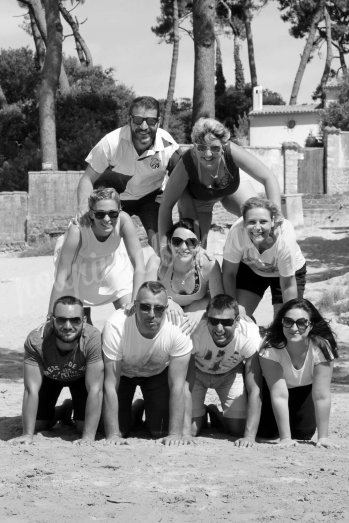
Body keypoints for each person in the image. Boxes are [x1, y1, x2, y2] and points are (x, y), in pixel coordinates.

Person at [158, 117, 281, 249]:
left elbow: (268, 178)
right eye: (201, 148)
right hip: (199, 200)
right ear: (194, 147)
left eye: (215, 148)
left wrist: (277, 218)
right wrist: (164, 246)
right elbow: (166, 205)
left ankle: (259, 260)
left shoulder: (232, 152)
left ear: (223, 146)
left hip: (231, 190)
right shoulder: (186, 164)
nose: (208, 154)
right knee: (195, 245)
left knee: (257, 219)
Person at [78, 96, 181, 245]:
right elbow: (87, 179)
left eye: (151, 121)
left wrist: (169, 200)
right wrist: (83, 207)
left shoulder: (168, 145)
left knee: (163, 246)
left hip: (150, 198)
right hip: (117, 199)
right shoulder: (111, 142)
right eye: (138, 120)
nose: (144, 127)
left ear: (158, 122)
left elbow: (182, 180)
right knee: (101, 243)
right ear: (129, 120)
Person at [102, 281, 192, 445]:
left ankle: (146, 406)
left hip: (156, 375)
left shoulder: (178, 327)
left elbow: (177, 385)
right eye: (145, 307)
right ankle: (136, 409)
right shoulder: (116, 325)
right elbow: (110, 384)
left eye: (158, 308)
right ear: (135, 306)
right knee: (120, 430)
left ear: (166, 308)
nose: (151, 314)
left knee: (159, 431)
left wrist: (175, 434)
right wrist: (113, 435)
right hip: (123, 376)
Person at [11, 296, 104, 445]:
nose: (68, 326)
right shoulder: (36, 340)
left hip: (81, 378)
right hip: (49, 378)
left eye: (75, 320)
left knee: (84, 428)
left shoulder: (92, 338)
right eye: (61, 320)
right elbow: (31, 390)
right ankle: (63, 410)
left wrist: (88, 437)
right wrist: (27, 435)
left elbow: (95, 389)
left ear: (84, 320)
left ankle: (75, 410)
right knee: (38, 426)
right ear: (51, 319)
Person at [49, 188, 146, 324]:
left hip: (110, 261)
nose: (107, 219)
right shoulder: (77, 230)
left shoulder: (123, 221)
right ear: (91, 214)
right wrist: (49, 317)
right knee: (81, 323)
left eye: (113, 213)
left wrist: (135, 302)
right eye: (100, 214)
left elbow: (139, 264)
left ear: (120, 211)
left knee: (130, 317)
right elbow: (62, 276)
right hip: (77, 266)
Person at [258, 298, 338, 448]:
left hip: (303, 390)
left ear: (310, 325)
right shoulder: (270, 347)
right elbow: (278, 394)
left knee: (304, 433)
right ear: (281, 322)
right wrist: (285, 438)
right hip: (271, 392)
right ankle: (217, 416)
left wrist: (323, 437)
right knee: (265, 432)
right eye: (288, 321)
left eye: (301, 323)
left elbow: (322, 395)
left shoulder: (321, 346)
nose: (294, 328)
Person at [189, 294, 262, 446]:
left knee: (237, 430)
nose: (219, 328)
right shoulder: (194, 331)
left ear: (237, 321)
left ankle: (215, 413)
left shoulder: (250, 334)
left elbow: (255, 389)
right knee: (191, 430)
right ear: (206, 318)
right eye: (213, 321)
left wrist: (249, 437)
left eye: (227, 322)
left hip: (230, 373)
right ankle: (200, 414)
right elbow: (184, 381)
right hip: (197, 373)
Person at [222, 197, 306, 318]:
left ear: (272, 221)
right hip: (252, 269)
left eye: (263, 221)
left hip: (286, 275)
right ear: (243, 222)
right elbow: (228, 273)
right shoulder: (237, 232)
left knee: (284, 320)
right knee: (239, 317)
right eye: (251, 222)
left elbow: (288, 284)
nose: (257, 227)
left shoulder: (284, 240)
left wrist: (288, 320)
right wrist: (233, 309)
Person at [146, 219, 224, 334]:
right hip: (167, 309)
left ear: (199, 246)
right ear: (169, 243)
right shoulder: (159, 263)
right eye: (177, 241)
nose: (183, 247)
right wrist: (167, 300)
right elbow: (145, 294)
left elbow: (219, 302)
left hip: (196, 308)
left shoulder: (208, 265)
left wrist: (201, 313)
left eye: (191, 242)